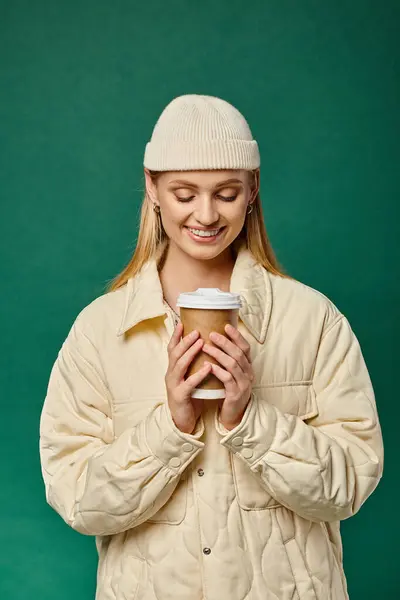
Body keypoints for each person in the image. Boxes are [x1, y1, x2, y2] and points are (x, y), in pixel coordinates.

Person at [39, 94, 384, 600]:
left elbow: (350, 485)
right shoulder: (100, 330)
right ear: (152, 187)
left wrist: (251, 419)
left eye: (225, 193)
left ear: (252, 190)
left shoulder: (313, 320)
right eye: (184, 193)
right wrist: (170, 426)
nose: (206, 213)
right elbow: (78, 501)